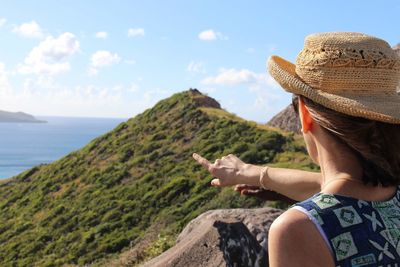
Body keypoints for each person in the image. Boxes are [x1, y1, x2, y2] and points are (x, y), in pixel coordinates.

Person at [192, 32, 400, 266]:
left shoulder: (298, 230)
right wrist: (254, 173)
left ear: (305, 113)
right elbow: (339, 190)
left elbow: (336, 196)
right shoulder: (391, 192)